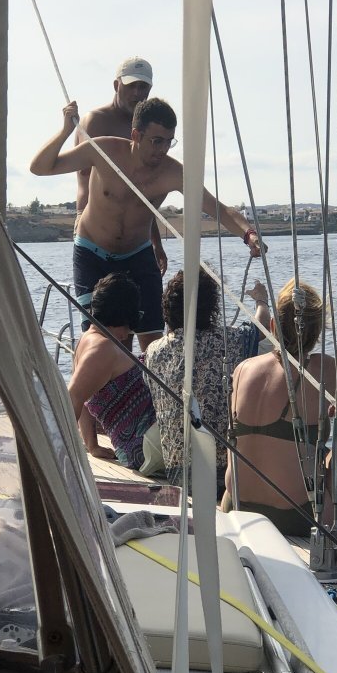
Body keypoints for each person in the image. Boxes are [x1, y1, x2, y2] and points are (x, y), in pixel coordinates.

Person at [30, 96, 263, 354]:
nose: (163, 149)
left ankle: (149, 381)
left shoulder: (173, 173)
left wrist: (249, 234)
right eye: (156, 141)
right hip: (92, 254)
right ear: (136, 135)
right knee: (102, 343)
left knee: (153, 340)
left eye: (169, 142)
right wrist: (66, 130)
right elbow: (40, 167)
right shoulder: (103, 150)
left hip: (137, 256)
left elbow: (218, 208)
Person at [224, 279, 337, 536]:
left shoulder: (243, 368)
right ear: (318, 333)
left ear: (273, 326)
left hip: (238, 507)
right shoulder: (323, 369)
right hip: (298, 517)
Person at [144, 269, 269, 488]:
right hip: (224, 474)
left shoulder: (153, 351)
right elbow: (261, 327)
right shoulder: (230, 340)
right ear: (211, 307)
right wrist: (261, 301)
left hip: (178, 472)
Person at [74, 57, 167, 276]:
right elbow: (87, 180)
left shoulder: (146, 131)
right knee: (103, 297)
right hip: (93, 236)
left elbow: (141, 195)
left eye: (143, 86)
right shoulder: (95, 121)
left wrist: (156, 242)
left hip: (136, 242)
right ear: (117, 85)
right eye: (131, 85)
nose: (137, 92)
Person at [66, 273, 156, 469]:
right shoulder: (102, 349)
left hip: (139, 443)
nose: (129, 332)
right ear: (122, 315)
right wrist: (63, 453)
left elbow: (82, 399)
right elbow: (73, 398)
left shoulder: (86, 340)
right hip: (145, 447)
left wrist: (92, 445)